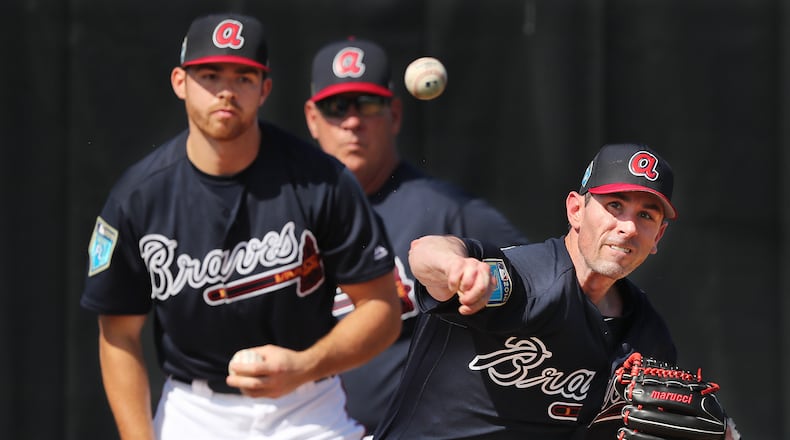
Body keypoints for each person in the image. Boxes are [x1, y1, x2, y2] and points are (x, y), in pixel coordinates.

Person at [80, 14, 402, 440]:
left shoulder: (321, 181)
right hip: (195, 413)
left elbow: (382, 309)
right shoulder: (139, 197)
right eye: (209, 75)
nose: (226, 91)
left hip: (307, 407)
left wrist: (306, 365)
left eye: (244, 77)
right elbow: (118, 334)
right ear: (180, 82)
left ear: (265, 88)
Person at [373, 143, 738, 439]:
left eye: (646, 215)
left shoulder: (647, 337)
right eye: (614, 206)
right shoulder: (525, 281)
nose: (627, 227)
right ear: (576, 210)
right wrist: (457, 269)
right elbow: (425, 253)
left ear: (657, 237)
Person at [303, 38, 529, 434]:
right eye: (336, 107)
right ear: (312, 117)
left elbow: (540, 280)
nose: (353, 121)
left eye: (367, 104)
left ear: (394, 115)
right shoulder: (289, 212)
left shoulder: (444, 210)